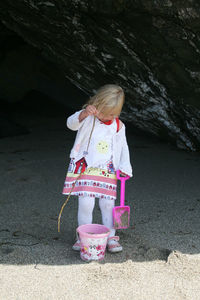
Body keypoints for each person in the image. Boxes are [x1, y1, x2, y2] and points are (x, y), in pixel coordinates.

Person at [62, 84, 132, 253]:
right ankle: (83, 234)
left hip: (107, 170)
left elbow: (123, 147)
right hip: (86, 168)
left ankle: (111, 236)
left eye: (114, 114)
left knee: (108, 204)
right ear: (96, 105)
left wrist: (124, 167)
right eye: (106, 113)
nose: (110, 117)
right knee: (86, 203)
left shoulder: (118, 126)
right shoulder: (87, 118)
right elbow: (71, 124)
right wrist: (84, 113)